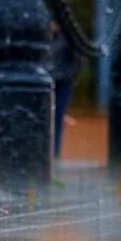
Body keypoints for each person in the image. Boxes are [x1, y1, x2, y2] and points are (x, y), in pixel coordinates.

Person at [49, 23, 80, 157]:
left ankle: (55, 151)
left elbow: (77, 60)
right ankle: (50, 150)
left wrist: (69, 74)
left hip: (63, 82)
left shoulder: (67, 39)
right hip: (49, 82)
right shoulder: (46, 39)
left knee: (58, 116)